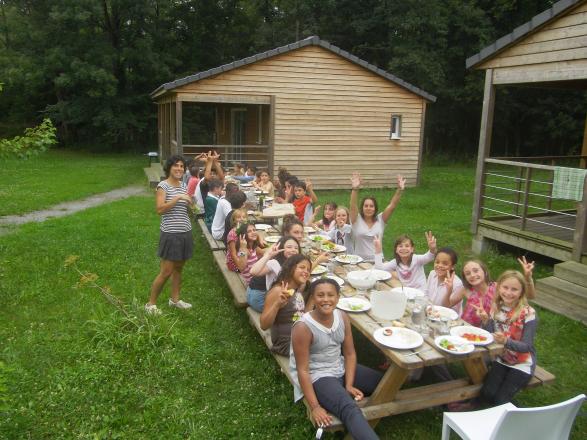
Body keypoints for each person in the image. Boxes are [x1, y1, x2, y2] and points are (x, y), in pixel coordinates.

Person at [290, 279, 382, 439]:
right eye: (320, 295)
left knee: (383, 383)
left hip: (339, 366)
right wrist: (315, 407)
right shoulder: (303, 327)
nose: (326, 299)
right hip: (319, 375)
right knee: (349, 408)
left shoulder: (342, 316)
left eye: (330, 295)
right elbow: (303, 370)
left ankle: (341, 391)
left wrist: (349, 384)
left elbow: (350, 354)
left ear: (338, 298)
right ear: (312, 297)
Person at [478, 270, 537, 405]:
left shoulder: (528, 313)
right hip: (502, 358)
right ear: (499, 288)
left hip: (522, 364)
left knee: (500, 400)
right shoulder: (496, 307)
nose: (508, 293)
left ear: (522, 292)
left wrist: (505, 341)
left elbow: (527, 346)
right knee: (487, 393)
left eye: (514, 289)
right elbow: (490, 335)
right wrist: (486, 320)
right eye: (505, 287)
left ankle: (516, 417)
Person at [145, 155, 193, 314]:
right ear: (169, 168)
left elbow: (183, 209)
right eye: (176, 166)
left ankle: (175, 300)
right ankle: (150, 304)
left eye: (181, 166)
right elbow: (160, 209)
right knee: (166, 272)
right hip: (171, 234)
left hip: (185, 231)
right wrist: (178, 197)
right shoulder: (162, 187)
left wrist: (190, 203)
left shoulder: (184, 185)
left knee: (179, 269)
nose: (179, 168)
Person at [457, 256, 536, 327]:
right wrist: (449, 289)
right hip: (463, 327)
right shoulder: (467, 290)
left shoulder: (497, 287)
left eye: (476, 271)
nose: (472, 275)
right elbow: (449, 303)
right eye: (468, 273)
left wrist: (528, 278)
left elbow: (530, 296)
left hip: (486, 330)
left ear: (485, 272)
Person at [260, 254, 312, 356]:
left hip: (299, 337)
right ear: (291, 268)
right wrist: (277, 305)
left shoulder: (295, 288)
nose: (306, 271)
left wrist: (313, 299)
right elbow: (264, 325)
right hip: (285, 343)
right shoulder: (278, 291)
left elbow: (301, 315)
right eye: (302, 267)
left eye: (308, 270)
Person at [349, 172, 405, 261]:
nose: (368, 208)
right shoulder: (356, 219)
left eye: (371, 206)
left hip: (378, 260)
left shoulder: (381, 219)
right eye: (366, 206)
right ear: (362, 208)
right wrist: (355, 189)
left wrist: (399, 190)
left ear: (375, 208)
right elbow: (352, 206)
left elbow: (392, 205)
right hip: (359, 261)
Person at [248, 236, 302, 312]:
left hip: (259, 293)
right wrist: (268, 255)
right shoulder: (274, 263)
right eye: (289, 247)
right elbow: (253, 271)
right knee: (296, 307)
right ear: (280, 248)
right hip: (259, 299)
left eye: (296, 248)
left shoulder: (291, 263)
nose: (293, 250)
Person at [425, 247, 464, 314]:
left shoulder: (457, 284)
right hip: (430, 312)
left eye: (445, 264)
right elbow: (426, 294)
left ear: (452, 266)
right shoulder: (432, 274)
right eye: (437, 262)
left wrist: (449, 290)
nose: (440, 265)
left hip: (448, 318)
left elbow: (446, 307)